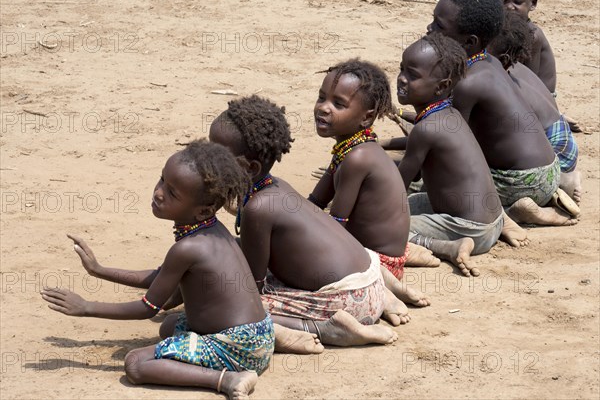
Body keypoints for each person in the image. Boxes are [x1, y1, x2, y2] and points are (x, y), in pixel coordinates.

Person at [41, 139, 275, 399]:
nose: (159, 193)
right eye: (162, 180)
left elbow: (147, 308)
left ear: (204, 209)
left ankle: (227, 379)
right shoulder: (211, 231)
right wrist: (99, 270)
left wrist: (86, 307)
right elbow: (161, 277)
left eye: (173, 193)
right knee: (169, 327)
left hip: (236, 349)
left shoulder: (187, 248)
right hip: (258, 336)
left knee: (136, 364)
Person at [209, 95, 401, 343]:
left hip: (349, 305)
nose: (208, 159)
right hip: (372, 281)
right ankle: (382, 301)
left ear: (251, 168)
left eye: (217, 155)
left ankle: (327, 329)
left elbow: (252, 288)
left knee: (234, 308)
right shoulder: (276, 186)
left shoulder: (258, 208)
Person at [427, 0, 577, 228]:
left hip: (520, 182)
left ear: (469, 41)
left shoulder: (467, 83)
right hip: (547, 172)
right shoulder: (489, 63)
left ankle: (506, 214)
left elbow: (452, 146)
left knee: (445, 185)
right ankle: (545, 197)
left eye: (439, 26)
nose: (429, 29)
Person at [307, 59, 434, 302]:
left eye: (338, 104)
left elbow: (336, 227)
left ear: (366, 118)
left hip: (374, 265)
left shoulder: (357, 158)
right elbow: (314, 202)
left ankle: (387, 295)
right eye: (322, 98)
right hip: (372, 256)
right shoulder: (348, 149)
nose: (323, 108)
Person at [394, 33, 504, 276]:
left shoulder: (425, 129)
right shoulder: (450, 114)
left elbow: (398, 186)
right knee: (411, 205)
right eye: (401, 69)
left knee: (380, 227)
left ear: (442, 86)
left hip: (469, 229)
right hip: (492, 222)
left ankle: (447, 247)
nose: (401, 79)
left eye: (412, 75)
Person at [488, 10, 581, 206]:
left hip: (553, 153)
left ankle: (560, 184)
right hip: (563, 137)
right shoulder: (517, 69)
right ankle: (560, 183)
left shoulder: (499, 83)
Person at [497, 0, 581, 132]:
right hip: (517, 88)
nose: (509, 7)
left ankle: (554, 117)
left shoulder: (532, 36)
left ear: (532, 4)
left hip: (538, 97)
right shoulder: (501, 28)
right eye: (503, 0)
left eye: (517, 1)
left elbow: (530, 82)